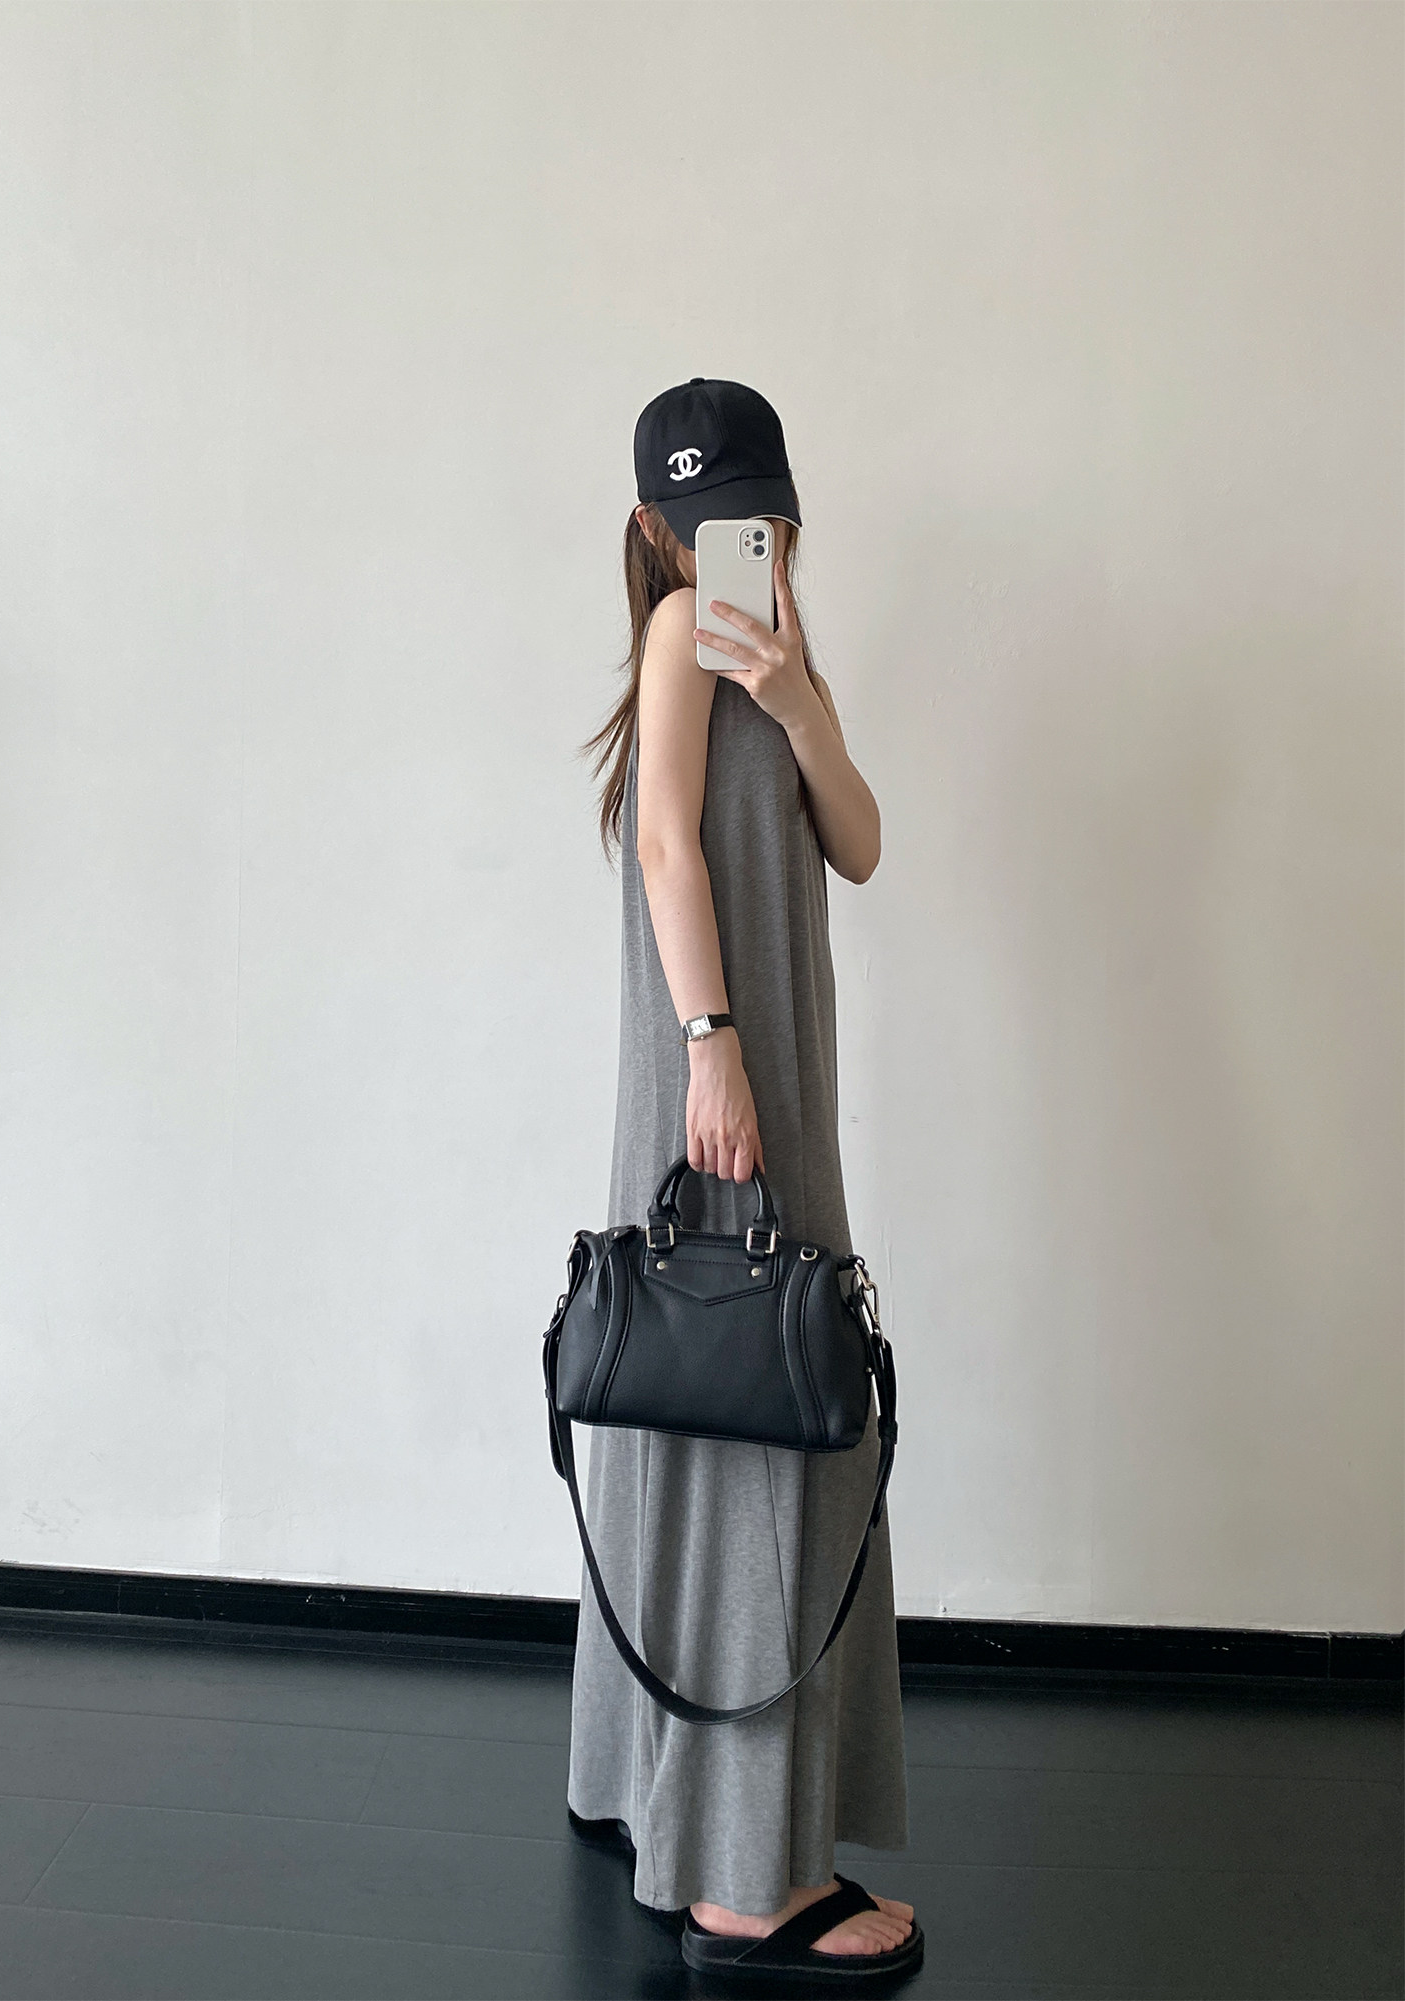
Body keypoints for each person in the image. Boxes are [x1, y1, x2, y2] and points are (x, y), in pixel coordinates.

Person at [568, 378, 921, 1981]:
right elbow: (665, 846)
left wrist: (798, 701)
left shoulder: (772, 652)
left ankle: (649, 1782)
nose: (738, 543)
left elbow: (860, 840)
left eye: (759, 516)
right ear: (658, 530)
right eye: (710, 522)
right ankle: (741, 1880)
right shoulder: (671, 636)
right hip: (725, 1066)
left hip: (762, 1063)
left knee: (714, 1392)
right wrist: (714, 1047)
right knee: (768, 1413)